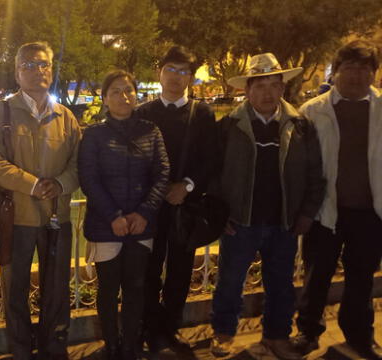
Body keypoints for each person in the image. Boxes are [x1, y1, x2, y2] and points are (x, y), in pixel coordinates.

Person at [209, 53, 325, 359]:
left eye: (275, 85)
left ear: (283, 88)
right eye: (260, 86)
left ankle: (276, 336)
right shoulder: (228, 127)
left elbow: (316, 174)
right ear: (247, 90)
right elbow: (212, 176)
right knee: (230, 281)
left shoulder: (300, 126)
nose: (268, 93)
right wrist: (219, 216)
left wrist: (306, 213)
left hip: (283, 222)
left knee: (281, 283)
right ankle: (223, 332)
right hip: (240, 221)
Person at [0, 41, 81, 360]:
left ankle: (54, 348)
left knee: (57, 290)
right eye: (29, 65)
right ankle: (21, 350)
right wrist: (33, 184)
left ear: (51, 71)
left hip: (57, 217)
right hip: (17, 218)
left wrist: (63, 183)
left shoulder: (66, 117)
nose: (37, 71)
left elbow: (79, 164)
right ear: (16, 72)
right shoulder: (1, 113)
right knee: (15, 291)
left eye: (43, 65)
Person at [293, 40, 382, 360]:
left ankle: (359, 334)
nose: (356, 75)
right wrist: (302, 209)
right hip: (325, 210)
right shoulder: (313, 111)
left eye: (364, 69)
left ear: (373, 73)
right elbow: (299, 167)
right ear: (336, 71)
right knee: (317, 274)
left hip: (371, 212)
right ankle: (308, 330)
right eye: (349, 68)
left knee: (362, 278)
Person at [78, 70, 169, 359]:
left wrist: (143, 212)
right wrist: (114, 216)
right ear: (104, 99)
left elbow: (162, 173)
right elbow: (89, 179)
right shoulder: (93, 135)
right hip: (107, 226)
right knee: (107, 290)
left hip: (142, 225)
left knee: (136, 288)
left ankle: (131, 345)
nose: (123, 96)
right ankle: (112, 345)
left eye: (128, 90)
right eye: (115, 91)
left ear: (136, 95)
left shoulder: (150, 131)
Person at [136, 45, 217, 353]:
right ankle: (149, 328)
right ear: (160, 72)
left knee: (181, 270)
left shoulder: (202, 113)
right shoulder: (143, 112)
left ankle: (170, 328)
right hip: (150, 207)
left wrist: (188, 186)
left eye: (184, 71)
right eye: (171, 69)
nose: (176, 76)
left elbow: (211, 159)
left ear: (191, 79)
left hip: (186, 205)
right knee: (149, 270)